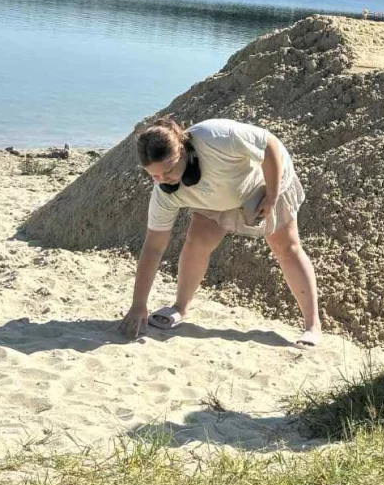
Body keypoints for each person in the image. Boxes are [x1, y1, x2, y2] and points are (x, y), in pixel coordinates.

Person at [117, 117, 321, 347]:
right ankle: (180, 308)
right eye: (154, 175)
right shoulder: (164, 193)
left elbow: (269, 145)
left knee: (286, 247)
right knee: (196, 241)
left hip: (264, 181)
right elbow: (154, 247)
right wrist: (138, 305)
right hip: (214, 195)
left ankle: (312, 326)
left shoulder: (216, 138)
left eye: (169, 170)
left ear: (182, 150)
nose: (164, 180)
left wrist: (272, 197)